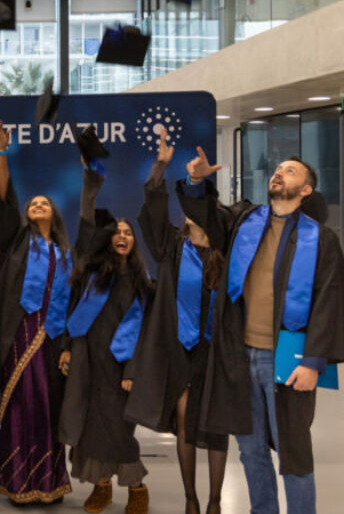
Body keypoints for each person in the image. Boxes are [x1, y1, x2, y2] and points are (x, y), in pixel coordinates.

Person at [183, 150, 344, 514]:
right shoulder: (244, 222)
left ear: (305, 190)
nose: (278, 175)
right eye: (276, 171)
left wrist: (314, 361)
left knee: (294, 451)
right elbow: (204, 215)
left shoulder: (320, 239)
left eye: (289, 172)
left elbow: (329, 302)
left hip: (287, 355)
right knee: (251, 451)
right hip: (240, 355)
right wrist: (196, 182)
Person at [0, 124, 74, 504]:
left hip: (53, 343)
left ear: (54, 213)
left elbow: (72, 303)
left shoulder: (67, 255)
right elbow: (4, 199)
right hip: (19, 338)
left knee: (49, 408)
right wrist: (1, 153)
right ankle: (19, 481)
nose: (37, 206)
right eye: (32, 203)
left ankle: (50, 481)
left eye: (44, 203)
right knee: (22, 406)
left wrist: (68, 344)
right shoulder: (18, 243)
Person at [126, 128, 228, 514]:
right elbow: (151, 211)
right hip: (180, 349)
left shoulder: (225, 246)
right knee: (186, 423)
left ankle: (217, 502)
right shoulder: (172, 244)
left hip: (217, 349)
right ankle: (191, 499)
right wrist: (160, 168)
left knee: (217, 426)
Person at [58, 158, 153, 514]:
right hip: (87, 359)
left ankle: (137, 488)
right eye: (118, 233)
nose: (123, 237)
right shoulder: (93, 274)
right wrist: (67, 349)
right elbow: (72, 311)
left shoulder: (144, 285)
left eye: (129, 233)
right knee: (90, 426)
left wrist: (131, 372)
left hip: (120, 365)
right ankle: (101, 487)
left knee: (118, 429)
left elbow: (143, 335)